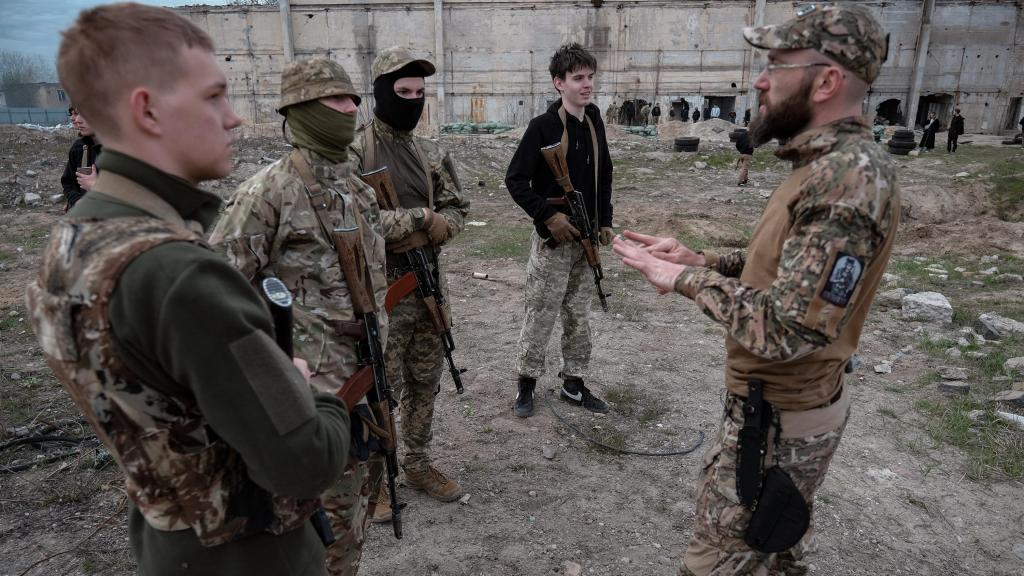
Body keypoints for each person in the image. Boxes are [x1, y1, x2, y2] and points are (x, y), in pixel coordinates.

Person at [27, 4, 352, 575]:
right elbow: (304, 463)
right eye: (213, 97)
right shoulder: (180, 275)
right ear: (147, 109)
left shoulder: (70, 245)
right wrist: (309, 391)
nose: (232, 119)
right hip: (252, 555)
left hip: (169, 546)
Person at [613, 4, 899, 575]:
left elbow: (791, 326)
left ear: (826, 80)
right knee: (770, 557)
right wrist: (705, 258)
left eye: (776, 65)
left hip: (778, 427)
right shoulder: (824, 167)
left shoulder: (847, 180)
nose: (761, 80)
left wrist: (685, 279)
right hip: (775, 416)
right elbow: (793, 270)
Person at [208, 57, 385, 576]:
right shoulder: (269, 191)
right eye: (338, 100)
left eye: (354, 99)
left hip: (367, 382)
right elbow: (216, 291)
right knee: (322, 534)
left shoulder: (358, 187)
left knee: (354, 516)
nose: (353, 109)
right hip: (311, 402)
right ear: (302, 111)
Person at [349, 46, 471, 519]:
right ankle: (376, 483)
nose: (413, 101)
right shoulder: (354, 151)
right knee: (382, 390)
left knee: (426, 382)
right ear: (381, 92)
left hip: (427, 289)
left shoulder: (432, 151)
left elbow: (459, 208)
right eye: (403, 92)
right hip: (380, 296)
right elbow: (355, 222)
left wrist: (445, 226)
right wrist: (418, 218)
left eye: (420, 93)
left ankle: (417, 465)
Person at [505, 42, 614, 418]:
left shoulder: (594, 118)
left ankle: (574, 383)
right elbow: (516, 180)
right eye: (578, 78)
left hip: (586, 240)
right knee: (541, 312)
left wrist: (604, 221)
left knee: (577, 314)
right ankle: (526, 384)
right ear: (558, 83)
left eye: (590, 77)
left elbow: (605, 173)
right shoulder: (543, 127)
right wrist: (547, 217)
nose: (586, 85)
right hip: (554, 241)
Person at [60, 105, 101, 210]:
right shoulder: (79, 147)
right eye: (74, 113)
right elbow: (68, 182)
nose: (76, 120)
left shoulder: (125, 151)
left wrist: (95, 187)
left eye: (84, 114)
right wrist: (76, 201)